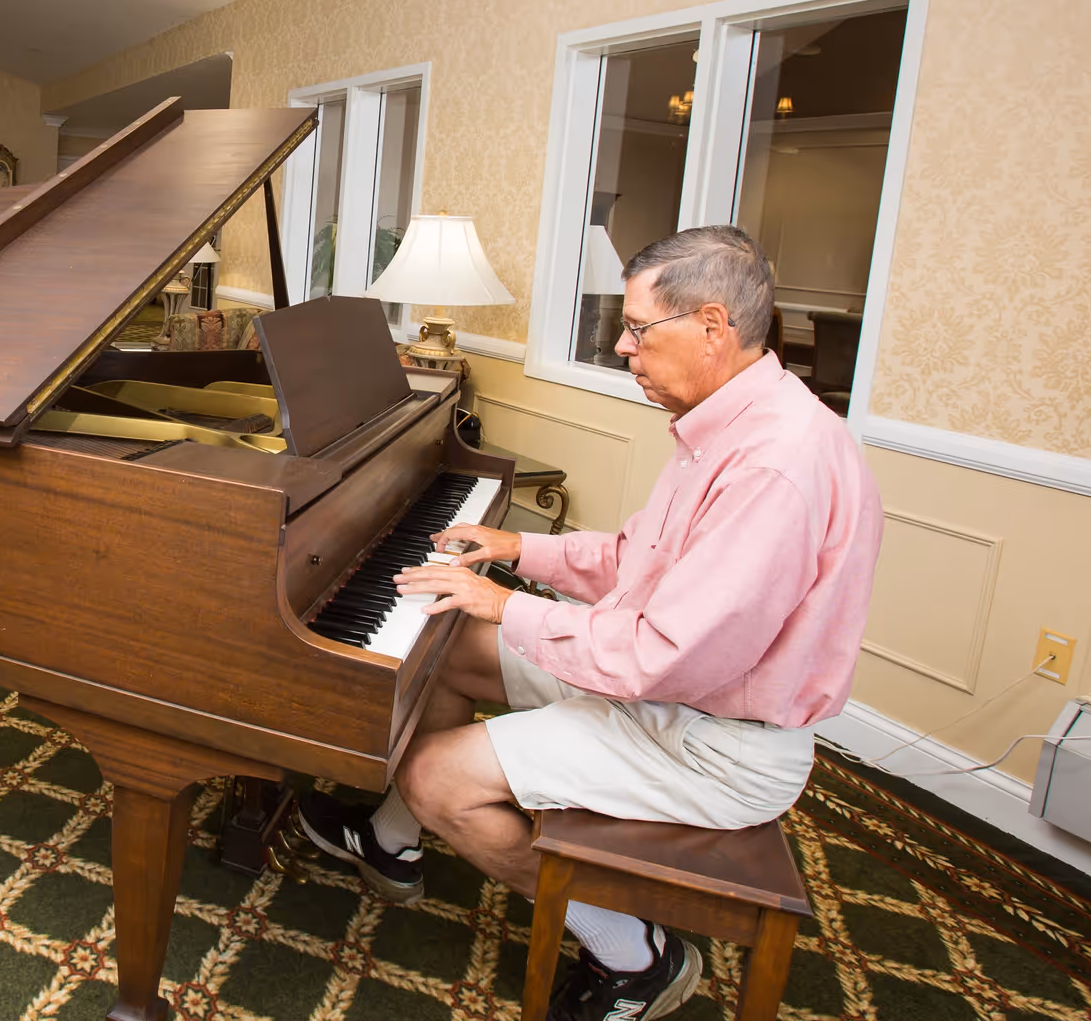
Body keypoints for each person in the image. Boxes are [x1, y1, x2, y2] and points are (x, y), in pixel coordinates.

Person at [298, 225, 883, 1021]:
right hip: (673, 695)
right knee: (448, 647)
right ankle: (390, 840)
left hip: (711, 741)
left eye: (639, 328)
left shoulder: (775, 466)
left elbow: (657, 655)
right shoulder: (733, 421)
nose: (620, 346)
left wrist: (506, 601)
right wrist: (515, 548)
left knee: (438, 772)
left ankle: (635, 954)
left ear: (713, 327)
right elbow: (639, 558)